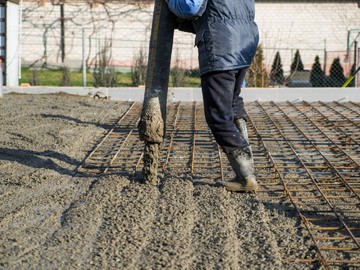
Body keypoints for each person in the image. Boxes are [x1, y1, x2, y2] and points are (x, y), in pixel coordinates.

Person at [166, 0, 259, 192]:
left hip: (221, 43)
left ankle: (246, 176)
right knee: (232, 102)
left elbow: (190, 6)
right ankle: (246, 171)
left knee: (218, 115)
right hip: (245, 41)